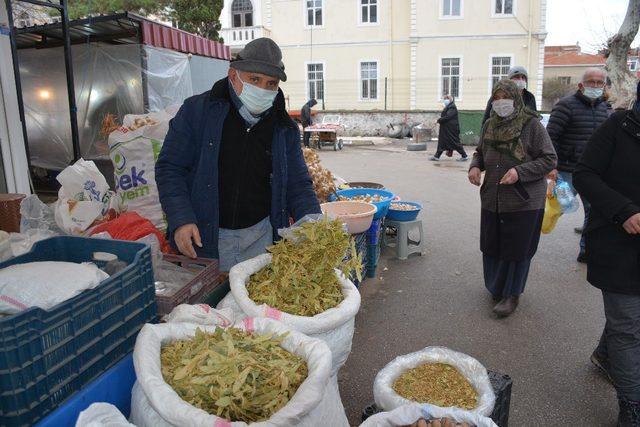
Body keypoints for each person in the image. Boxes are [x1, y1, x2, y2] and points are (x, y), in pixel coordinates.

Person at [155, 38, 320, 271]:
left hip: (261, 240)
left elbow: (298, 183)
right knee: (207, 306)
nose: (263, 89)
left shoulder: (284, 128)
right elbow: (170, 168)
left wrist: (313, 223)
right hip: (204, 237)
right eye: (254, 80)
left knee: (255, 302)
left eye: (271, 84)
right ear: (233, 75)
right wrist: (181, 219)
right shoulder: (197, 112)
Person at [573, 83, 640, 427]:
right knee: (629, 327)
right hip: (617, 243)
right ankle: (632, 406)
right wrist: (623, 211)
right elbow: (584, 174)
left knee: (626, 322)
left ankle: (604, 354)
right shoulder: (617, 126)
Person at [468, 79, 557, 317]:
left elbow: (549, 159)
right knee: (493, 244)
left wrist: (520, 172)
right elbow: (479, 152)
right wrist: (475, 167)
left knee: (517, 249)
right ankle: (496, 288)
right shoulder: (489, 125)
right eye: (495, 98)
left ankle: (512, 295)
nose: (500, 103)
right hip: (492, 197)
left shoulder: (531, 125)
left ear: (515, 98)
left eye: (504, 98)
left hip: (524, 200)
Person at [546, 67, 612, 263]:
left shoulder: (606, 109)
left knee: (594, 213)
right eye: (591, 82)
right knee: (554, 208)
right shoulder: (565, 106)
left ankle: (586, 250)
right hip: (567, 171)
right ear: (581, 85)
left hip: (594, 173)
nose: (596, 86)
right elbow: (550, 137)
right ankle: (526, 240)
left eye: (600, 82)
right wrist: (551, 165)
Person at [429, 95, 468, 161]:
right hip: (446, 129)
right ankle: (437, 156)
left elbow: (448, 117)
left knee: (455, 142)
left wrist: (438, 120)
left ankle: (464, 156)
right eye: (444, 99)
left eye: (446, 99)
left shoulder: (452, 107)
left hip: (451, 130)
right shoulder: (449, 107)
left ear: (450, 100)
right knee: (442, 142)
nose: (445, 101)